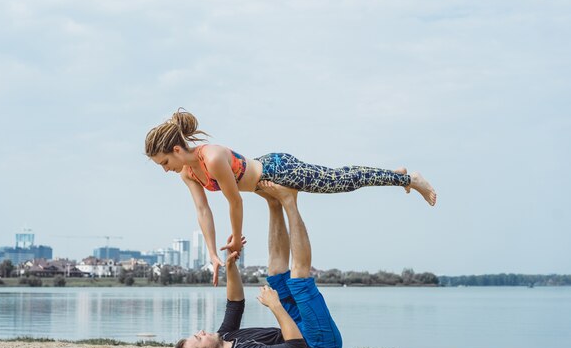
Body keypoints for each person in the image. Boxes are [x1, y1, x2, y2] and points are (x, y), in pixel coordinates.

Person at [145, 109, 437, 285]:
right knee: (340, 180)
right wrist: (211, 253)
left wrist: (235, 237)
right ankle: (397, 175)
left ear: (177, 150)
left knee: (340, 180)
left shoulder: (213, 157)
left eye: (164, 163)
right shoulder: (188, 173)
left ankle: (408, 179)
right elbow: (203, 210)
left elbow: (235, 201)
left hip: (279, 169)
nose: (165, 170)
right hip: (264, 183)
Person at [173, 182, 342, 348]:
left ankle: (274, 203)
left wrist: (230, 266)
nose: (201, 332)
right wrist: (275, 305)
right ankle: (289, 200)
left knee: (276, 276)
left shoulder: (225, 336)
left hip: (295, 331)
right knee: (299, 282)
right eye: (198, 338)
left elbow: (235, 303)